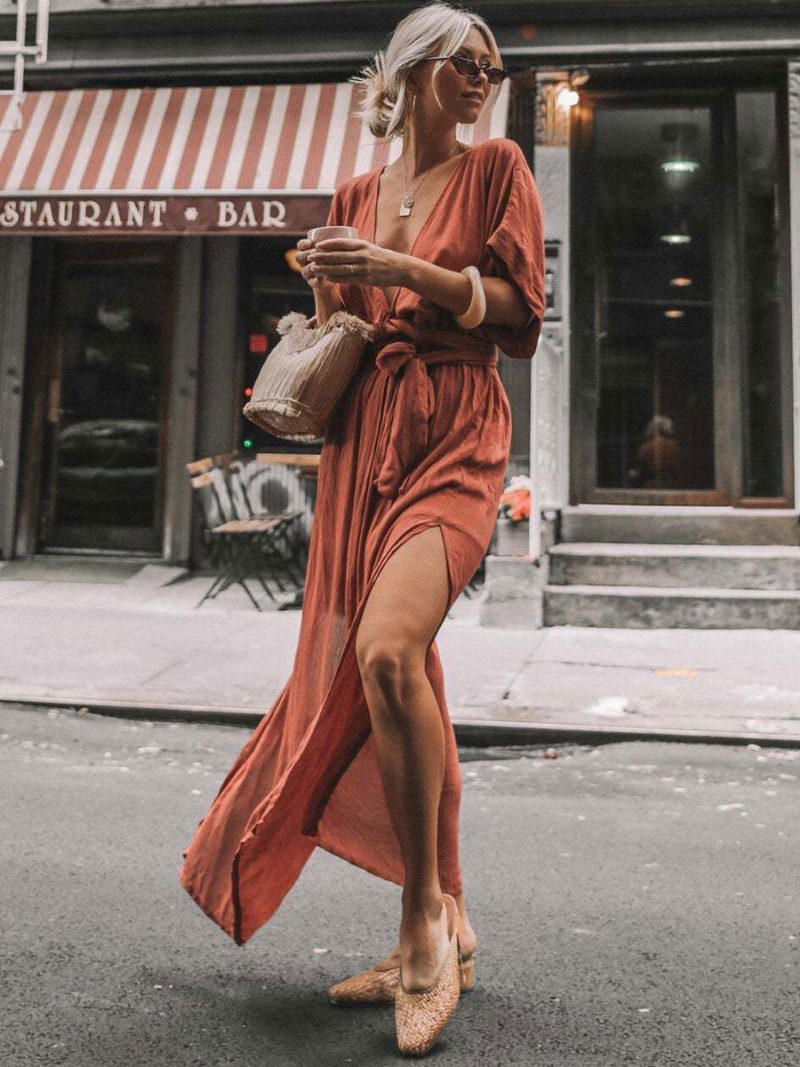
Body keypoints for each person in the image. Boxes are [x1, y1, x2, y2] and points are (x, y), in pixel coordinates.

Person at [179, 2, 545, 1054]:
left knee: (386, 651)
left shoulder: (498, 169)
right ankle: (451, 915)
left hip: (457, 429)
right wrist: (329, 278)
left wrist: (404, 274)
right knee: (399, 671)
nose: (482, 77)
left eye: (489, 65)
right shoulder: (353, 192)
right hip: (362, 443)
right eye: (464, 63)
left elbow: (520, 312)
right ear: (416, 72)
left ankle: (420, 921)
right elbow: (348, 327)